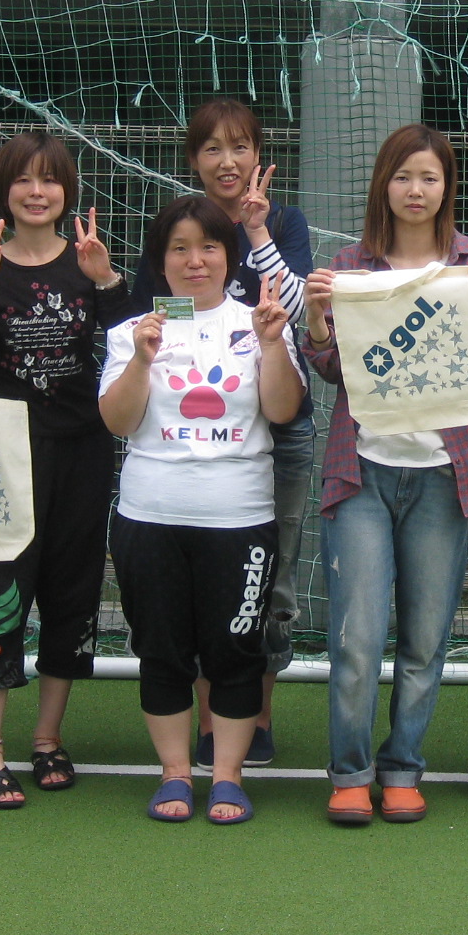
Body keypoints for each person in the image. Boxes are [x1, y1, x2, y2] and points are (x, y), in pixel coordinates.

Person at [302, 124, 468, 826]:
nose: (415, 190)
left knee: (426, 638)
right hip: (361, 471)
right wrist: (319, 320)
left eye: (429, 177)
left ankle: (403, 769)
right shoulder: (351, 266)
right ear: (383, 186)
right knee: (358, 637)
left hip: (445, 476)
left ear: (447, 186)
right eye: (402, 176)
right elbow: (332, 370)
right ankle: (350, 772)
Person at [98, 196, 305, 824]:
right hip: (149, 516)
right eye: (180, 249)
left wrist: (273, 345)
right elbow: (118, 421)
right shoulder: (133, 331)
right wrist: (141, 358)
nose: (196, 261)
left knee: (235, 650)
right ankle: (175, 773)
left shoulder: (260, 321)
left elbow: (282, 410)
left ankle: (228, 777)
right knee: (162, 651)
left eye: (209, 247)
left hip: (239, 519)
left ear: (229, 256)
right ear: (160, 262)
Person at [0, 133, 129, 808]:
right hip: (5, 456)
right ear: (4, 190)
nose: (36, 191)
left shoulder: (88, 262)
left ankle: (48, 738)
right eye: (23, 179)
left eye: (49, 180)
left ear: (66, 192)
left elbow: (133, 345)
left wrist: (106, 281)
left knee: (72, 593)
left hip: (83, 451)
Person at [130, 97, 315, 768]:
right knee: (201, 585)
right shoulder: (182, 229)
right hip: (192, 424)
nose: (227, 161)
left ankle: (254, 715)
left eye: (240, 146)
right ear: (194, 160)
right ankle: (211, 725)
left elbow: (295, 313)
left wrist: (258, 236)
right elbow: (161, 312)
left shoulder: (282, 222)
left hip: (277, 425)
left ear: (259, 154)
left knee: (271, 582)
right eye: (212, 148)